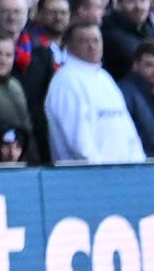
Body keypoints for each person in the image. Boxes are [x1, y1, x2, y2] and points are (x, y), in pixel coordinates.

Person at [39, 18, 144, 166]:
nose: (92, 46)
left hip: (123, 174)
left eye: (96, 41)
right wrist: (98, 169)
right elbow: (77, 139)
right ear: (69, 46)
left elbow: (127, 128)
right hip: (87, 177)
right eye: (84, 41)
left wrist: (138, 162)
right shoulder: (66, 81)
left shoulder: (105, 78)